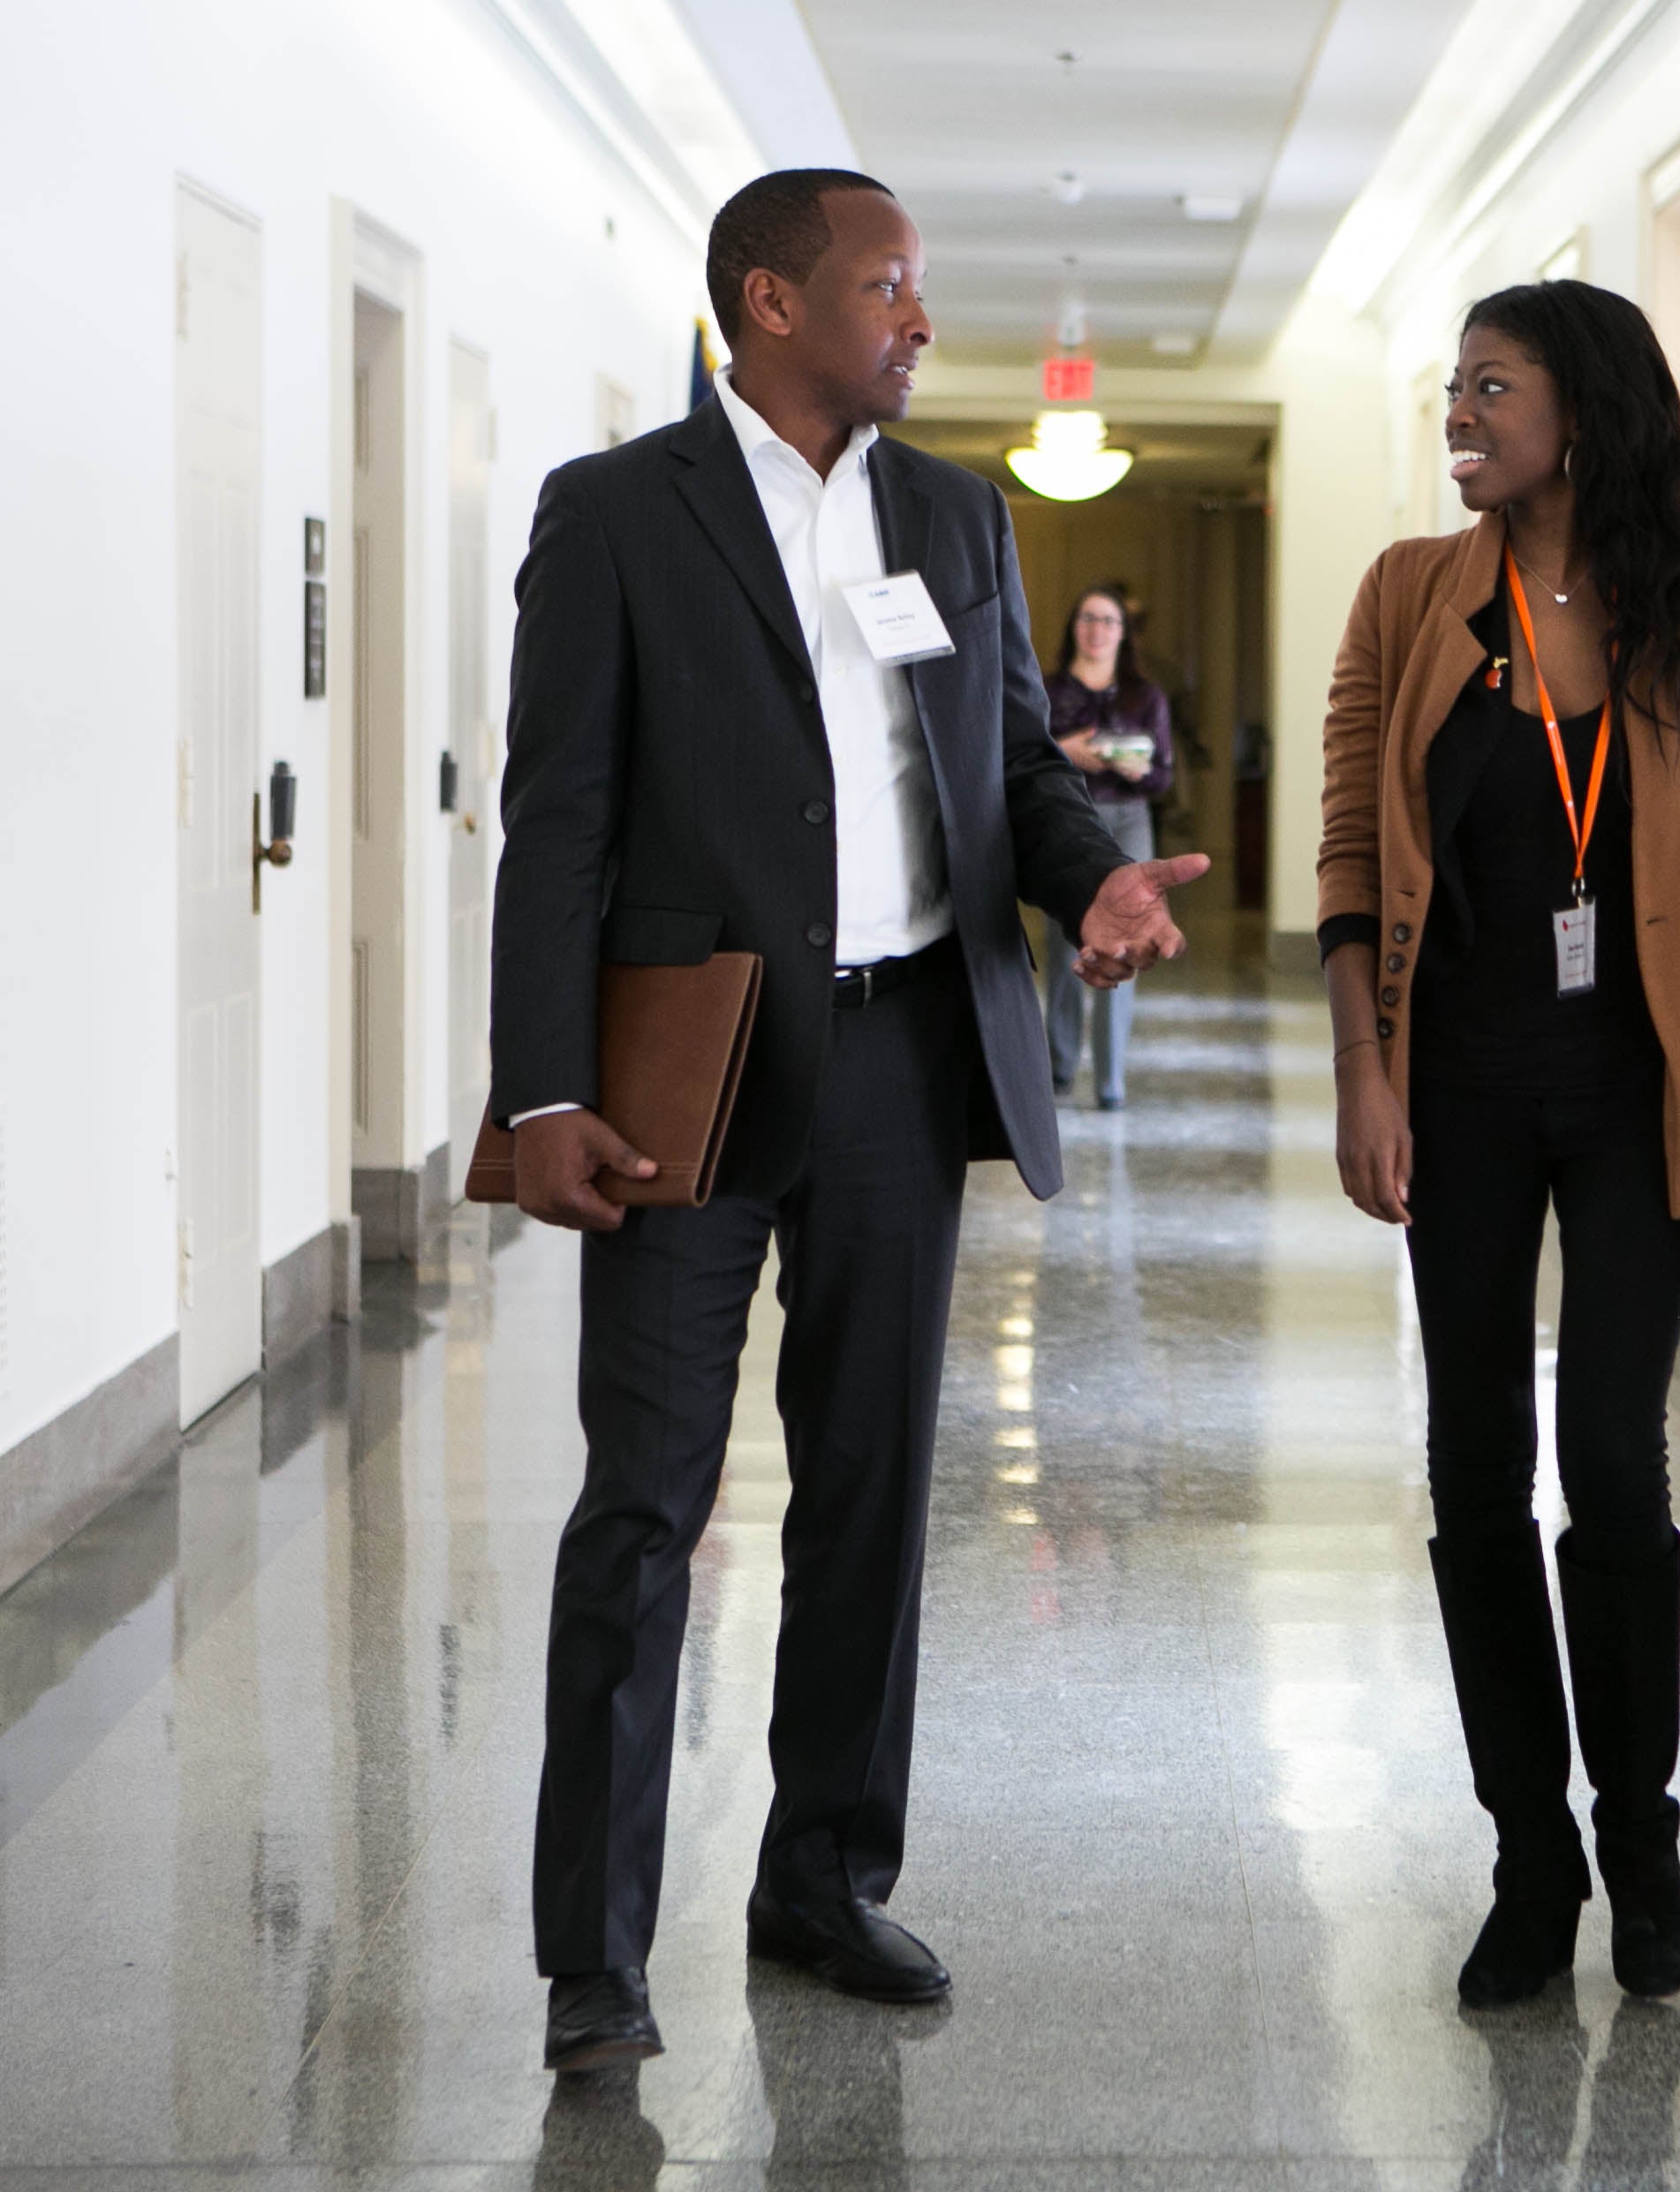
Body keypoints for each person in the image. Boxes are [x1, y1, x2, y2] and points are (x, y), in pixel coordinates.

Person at [489, 167, 1210, 2071]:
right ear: (771, 304)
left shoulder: (958, 517)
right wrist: (542, 1089)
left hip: (907, 1061)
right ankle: (595, 1954)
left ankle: (821, 1878)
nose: (920, 321)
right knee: (644, 1508)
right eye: (889, 287)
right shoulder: (618, 514)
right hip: (692, 1072)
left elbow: (1006, 779)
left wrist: (1094, 886)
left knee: (877, 1491)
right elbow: (557, 816)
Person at [1316, 277, 1680, 2010]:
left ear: (1577, 411)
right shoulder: (1412, 600)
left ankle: (1642, 1839)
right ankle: (1532, 1859)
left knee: (1615, 1461)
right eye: (1453, 386)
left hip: (1638, 1091)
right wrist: (1367, 1079)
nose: (1460, 412)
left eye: (1489, 387)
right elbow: (1354, 859)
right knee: (1473, 1465)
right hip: (1466, 1092)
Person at [1041, 584, 1175, 1108]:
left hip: (1129, 822)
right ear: (1074, 626)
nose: (1097, 629)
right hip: (1068, 822)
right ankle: (1059, 1067)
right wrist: (1063, 751)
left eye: (1108, 620)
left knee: (1126, 944)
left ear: (1124, 633)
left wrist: (1138, 769)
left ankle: (1110, 1079)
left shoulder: (1146, 696)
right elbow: (1018, 760)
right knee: (1066, 945)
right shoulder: (1046, 690)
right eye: (1088, 618)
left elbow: (1163, 777)